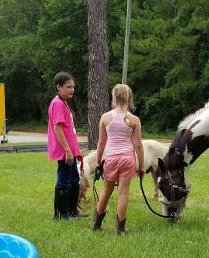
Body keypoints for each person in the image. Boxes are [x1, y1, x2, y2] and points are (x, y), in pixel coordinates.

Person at [91, 83, 145, 235]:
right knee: (123, 193)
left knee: (106, 191)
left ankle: (96, 224)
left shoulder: (105, 117)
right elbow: (139, 146)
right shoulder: (134, 120)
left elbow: (101, 142)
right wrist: (141, 166)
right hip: (128, 159)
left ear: (113, 97)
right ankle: (120, 229)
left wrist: (98, 162)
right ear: (129, 98)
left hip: (111, 158)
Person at [48, 72, 86, 220]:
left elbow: (69, 130)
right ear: (58, 87)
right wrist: (68, 151)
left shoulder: (63, 102)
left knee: (73, 180)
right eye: (68, 87)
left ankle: (72, 211)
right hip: (65, 152)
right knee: (64, 180)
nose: (72, 90)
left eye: (73, 87)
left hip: (70, 150)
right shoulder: (57, 103)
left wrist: (75, 150)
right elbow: (58, 128)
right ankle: (62, 214)